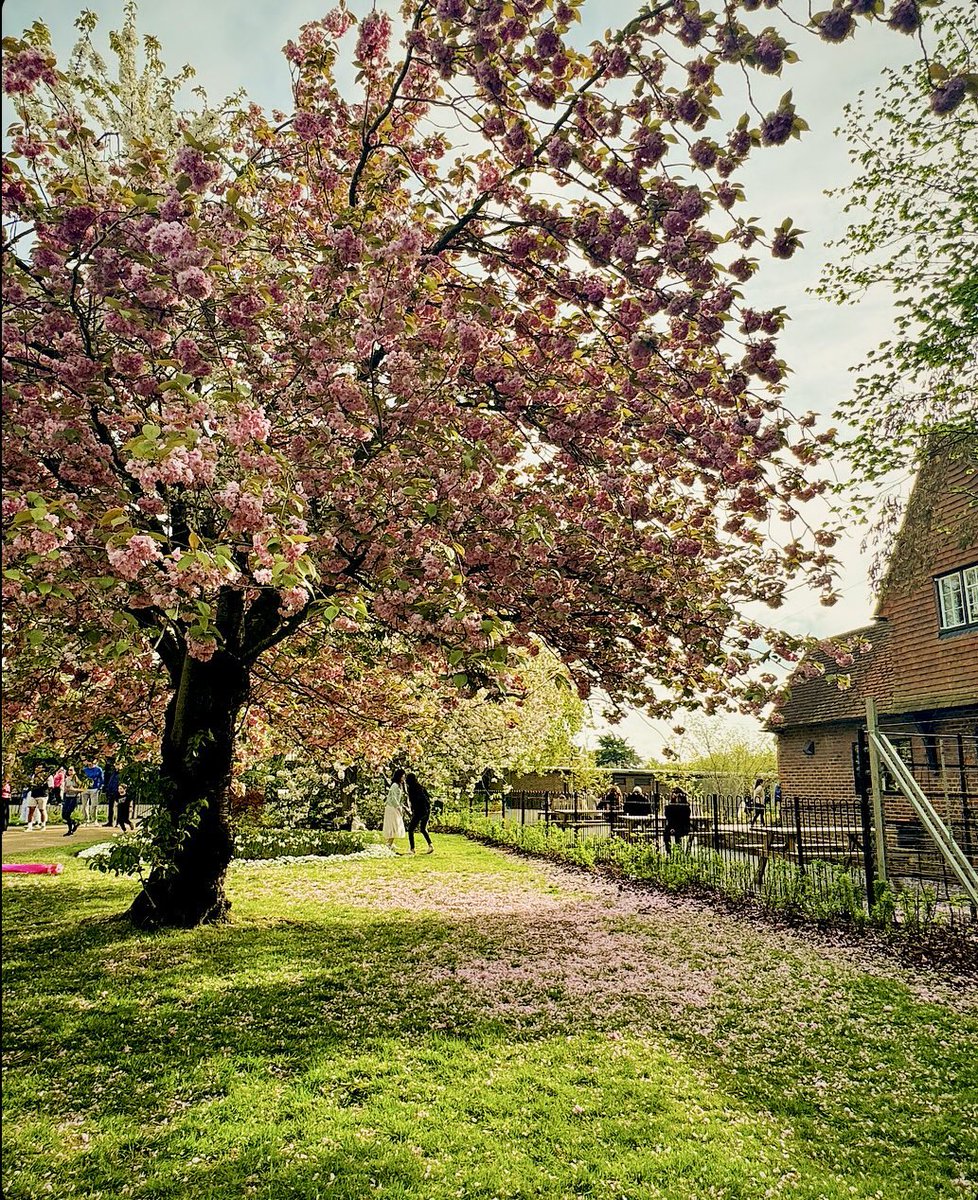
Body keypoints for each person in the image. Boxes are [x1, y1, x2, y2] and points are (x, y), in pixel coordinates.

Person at [405, 772, 434, 855]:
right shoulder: (420, 787)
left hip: (419, 811)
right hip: (427, 810)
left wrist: (413, 810)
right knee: (423, 829)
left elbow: (414, 800)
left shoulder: (412, 789)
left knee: (411, 829)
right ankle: (430, 845)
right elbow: (427, 797)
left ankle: (412, 849)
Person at [383, 768, 407, 852]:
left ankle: (391, 843)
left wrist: (401, 806)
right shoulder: (394, 785)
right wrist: (398, 807)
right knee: (393, 825)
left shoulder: (400, 786)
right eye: (403, 776)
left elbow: (399, 798)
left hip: (395, 807)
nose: (404, 778)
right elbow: (393, 798)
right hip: (391, 807)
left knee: (396, 825)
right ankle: (388, 844)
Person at [663, 786, 692, 853]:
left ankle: (679, 851)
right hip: (672, 825)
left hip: (683, 825)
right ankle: (669, 851)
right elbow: (668, 816)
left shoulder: (685, 805)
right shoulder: (671, 805)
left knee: (677, 834)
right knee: (666, 833)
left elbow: (686, 816)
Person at [60, 768, 83, 836]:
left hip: (74, 797)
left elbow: (83, 789)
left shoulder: (77, 779)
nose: (69, 771)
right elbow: (65, 788)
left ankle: (70, 830)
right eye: (69, 770)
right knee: (64, 815)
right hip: (67, 796)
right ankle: (74, 823)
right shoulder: (67, 779)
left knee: (67, 813)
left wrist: (74, 789)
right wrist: (65, 790)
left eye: (71, 770)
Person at [81, 759, 104, 823]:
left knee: (94, 805)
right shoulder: (84, 770)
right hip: (85, 789)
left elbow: (102, 779)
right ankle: (85, 819)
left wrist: (99, 787)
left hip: (94, 789)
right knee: (84, 806)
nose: (89, 762)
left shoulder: (98, 769)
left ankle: (94, 820)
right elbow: (81, 779)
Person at [102, 759, 120, 827]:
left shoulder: (121, 773)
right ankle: (110, 822)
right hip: (111, 791)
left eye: (118, 764)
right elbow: (110, 782)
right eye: (116, 764)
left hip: (118, 792)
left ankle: (118, 822)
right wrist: (108, 789)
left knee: (119, 808)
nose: (116, 766)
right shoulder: (113, 773)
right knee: (110, 807)